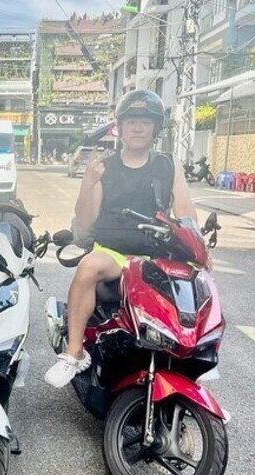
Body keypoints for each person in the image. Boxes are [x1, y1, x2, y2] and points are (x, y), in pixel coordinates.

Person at [45, 89, 199, 386]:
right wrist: (88, 182)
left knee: (196, 289)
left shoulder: (168, 164)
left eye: (145, 120)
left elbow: (185, 210)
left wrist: (197, 246)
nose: (138, 127)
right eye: (131, 121)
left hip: (157, 256)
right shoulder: (106, 166)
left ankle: (188, 366)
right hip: (114, 254)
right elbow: (86, 219)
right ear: (120, 127)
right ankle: (74, 351)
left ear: (156, 127)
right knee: (89, 266)